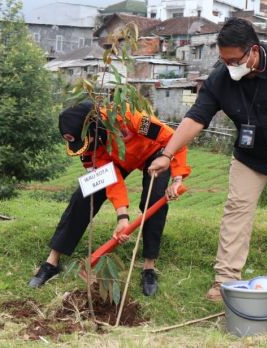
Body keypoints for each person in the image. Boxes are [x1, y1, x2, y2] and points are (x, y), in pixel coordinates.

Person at [148, 18, 267, 309]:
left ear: (254, 51)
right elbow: (197, 117)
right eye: (223, 60)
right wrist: (167, 154)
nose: (229, 65)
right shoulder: (221, 78)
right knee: (236, 211)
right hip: (251, 154)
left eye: (234, 59)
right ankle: (225, 279)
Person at [29, 101, 191, 296]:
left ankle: (149, 266)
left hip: (155, 153)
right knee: (82, 196)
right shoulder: (88, 148)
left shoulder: (130, 118)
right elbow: (110, 178)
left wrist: (177, 176)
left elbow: (174, 139)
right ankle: (52, 261)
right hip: (118, 160)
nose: (86, 147)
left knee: (154, 198)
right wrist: (122, 217)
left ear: (94, 126)